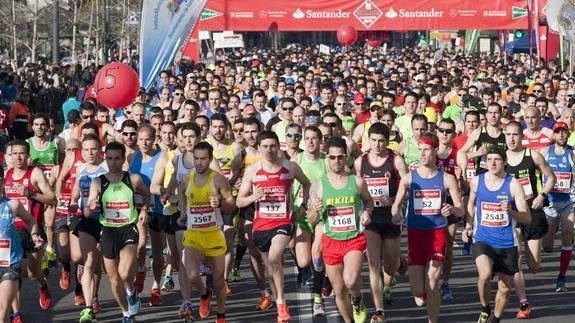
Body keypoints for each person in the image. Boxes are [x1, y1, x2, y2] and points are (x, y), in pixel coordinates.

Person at [236, 130, 310, 323]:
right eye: (265, 147)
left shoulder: (290, 167)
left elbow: (307, 184)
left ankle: (282, 302)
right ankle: (278, 302)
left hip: (284, 222)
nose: (269, 150)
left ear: (279, 146)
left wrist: (303, 206)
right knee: (270, 268)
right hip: (261, 225)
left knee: (276, 256)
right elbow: (239, 201)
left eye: (272, 146)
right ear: (259, 149)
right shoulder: (253, 171)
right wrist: (253, 196)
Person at [391, 132, 464, 323]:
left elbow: (461, 209)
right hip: (415, 236)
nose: (422, 154)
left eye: (427, 150)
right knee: (418, 292)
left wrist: (452, 209)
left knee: (432, 282)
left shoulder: (447, 179)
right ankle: (416, 285)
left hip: (437, 234)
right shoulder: (408, 179)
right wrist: (396, 214)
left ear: (435, 151)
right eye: (420, 150)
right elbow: (395, 205)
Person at [307, 136, 373, 323]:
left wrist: (367, 212)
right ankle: (348, 320)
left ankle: (358, 299)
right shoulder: (318, 186)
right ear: (326, 158)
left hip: (353, 239)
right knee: (339, 290)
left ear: (346, 158)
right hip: (331, 241)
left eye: (340, 157)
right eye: (332, 157)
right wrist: (315, 210)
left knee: (351, 280)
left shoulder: (357, 182)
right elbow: (311, 220)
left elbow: (368, 201)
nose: (336, 161)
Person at [84, 141, 151, 323]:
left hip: (128, 229)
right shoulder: (98, 182)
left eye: (117, 158)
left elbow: (147, 194)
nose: (113, 162)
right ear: (105, 159)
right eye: (110, 158)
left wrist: (144, 210)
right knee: (114, 281)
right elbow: (87, 210)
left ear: (123, 160)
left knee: (125, 272)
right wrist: (92, 206)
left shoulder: (133, 179)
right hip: (108, 232)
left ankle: (130, 290)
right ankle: (126, 313)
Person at [465, 147, 531, 323]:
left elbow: (527, 217)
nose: (493, 163)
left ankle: (496, 318)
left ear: (505, 163)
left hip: (507, 241)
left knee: (505, 289)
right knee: (485, 275)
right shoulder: (477, 181)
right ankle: (485, 308)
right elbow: (470, 205)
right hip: (483, 238)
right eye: (490, 159)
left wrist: (512, 212)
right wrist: (468, 225)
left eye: (497, 160)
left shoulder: (513, 184)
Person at [354, 122, 408, 321]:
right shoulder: (361, 162)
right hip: (371, 218)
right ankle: (379, 310)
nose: (377, 145)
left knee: (390, 267)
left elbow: (407, 186)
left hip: (392, 217)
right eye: (373, 141)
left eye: (381, 141)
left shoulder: (396, 161)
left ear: (388, 141)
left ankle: (399, 261)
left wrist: (394, 200)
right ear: (368, 140)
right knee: (374, 264)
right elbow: (357, 188)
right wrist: (362, 209)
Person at [176, 141, 235, 323]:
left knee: (218, 281)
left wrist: (222, 203)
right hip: (193, 235)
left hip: (214, 235)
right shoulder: (187, 179)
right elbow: (181, 194)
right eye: (196, 158)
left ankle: (221, 314)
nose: (199, 162)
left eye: (203, 159)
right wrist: (183, 213)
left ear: (210, 160)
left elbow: (231, 203)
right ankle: (204, 293)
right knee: (192, 274)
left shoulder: (217, 179)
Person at [504, 120, 555, 319]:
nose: (511, 138)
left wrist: (542, 195)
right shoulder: (500, 159)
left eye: (515, 134)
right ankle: (524, 303)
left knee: (533, 265)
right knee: (516, 258)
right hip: (512, 215)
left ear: (522, 136)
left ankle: (528, 266)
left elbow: (551, 177)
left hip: (533, 213)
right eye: (508, 134)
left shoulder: (533, 155)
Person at [4, 139, 56, 311]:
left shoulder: (35, 174)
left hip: (32, 227)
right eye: (14, 154)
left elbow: (52, 199)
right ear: (9, 156)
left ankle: (42, 285)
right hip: (12, 230)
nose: (18, 157)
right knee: (12, 272)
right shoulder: (6, 175)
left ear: (28, 155)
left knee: (33, 272)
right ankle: (16, 314)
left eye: (21, 153)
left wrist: (30, 193)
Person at [70, 134, 108, 322]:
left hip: (105, 221)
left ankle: (94, 297)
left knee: (97, 264)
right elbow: (77, 189)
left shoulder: (106, 168)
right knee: (87, 262)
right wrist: (72, 201)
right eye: (86, 149)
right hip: (86, 219)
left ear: (100, 149)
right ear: (81, 151)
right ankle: (87, 307)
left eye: (93, 148)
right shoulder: (81, 168)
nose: (90, 152)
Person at [0, 164, 43, 323]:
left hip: (9, 265)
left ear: (2, 182)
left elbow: (31, 220)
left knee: (2, 310)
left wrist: (34, 236)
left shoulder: (13, 205)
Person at [541, 121, 575, 292]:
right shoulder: (545, 152)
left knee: (568, 231)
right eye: (558, 132)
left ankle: (561, 276)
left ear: (568, 134)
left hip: (569, 200)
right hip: (551, 202)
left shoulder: (572, 153)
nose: (561, 135)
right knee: (547, 247)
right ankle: (550, 236)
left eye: (564, 132)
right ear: (553, 135)